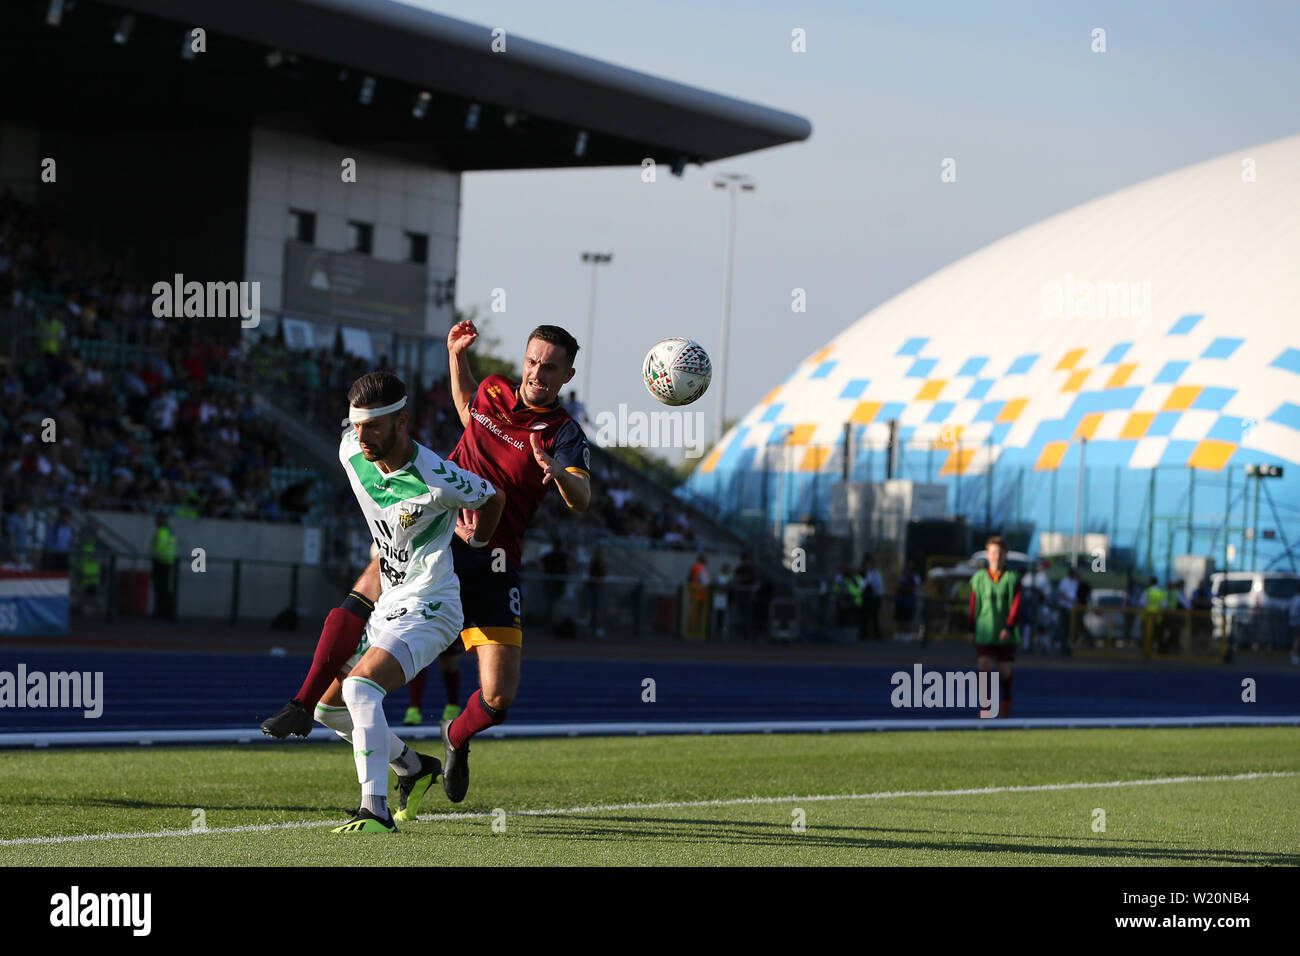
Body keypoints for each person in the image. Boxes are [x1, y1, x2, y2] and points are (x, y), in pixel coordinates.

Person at [262, 324, 593, 810]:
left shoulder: (563, 433)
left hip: (495, 560)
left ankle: (455, 735)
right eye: (533, 361)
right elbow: (468, 413)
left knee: (499, 697)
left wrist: (559, 472)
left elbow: (581, 500)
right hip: (438, 527)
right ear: (524, 360)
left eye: (550, 367)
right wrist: (456, 356)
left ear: (566, 374)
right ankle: (307, 703)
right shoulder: (493, 389)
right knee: (370, 585)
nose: (537, 372)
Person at [291, 371, 504, 833]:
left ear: (402, 421)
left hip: (432, 601)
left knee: (359, 689)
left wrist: (476, 538)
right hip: (390, 599)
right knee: (329, 711)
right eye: (356, 425)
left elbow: (492, 497)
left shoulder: (435, 476)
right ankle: (411, 765)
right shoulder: (351, 449)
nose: (361, 436)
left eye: (373, 426)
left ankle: (376, 809)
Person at [968, 535, 1021, 718]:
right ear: (987, 555)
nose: (996, 556)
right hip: (985, 629)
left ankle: (1006, 700)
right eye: (992, 553)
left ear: (1005, 555)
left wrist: (1008, 627)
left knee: (1004, 671)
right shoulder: (979, 578)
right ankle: (986, 706)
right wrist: (971, 628)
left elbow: (1016, 605)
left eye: (999, 553)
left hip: (1004, 631)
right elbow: (974, 604)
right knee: (983, 665)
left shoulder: (1012, 578)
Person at [149, 512, 176, 618]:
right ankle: (165, 612)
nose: (155, 521)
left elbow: (160, 546)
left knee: (161, 588)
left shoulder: (162, 531)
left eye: (157, 519)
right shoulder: (170, 531)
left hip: (161, 561)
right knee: (163, 588)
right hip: (166, 561)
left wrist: (153, 556)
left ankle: (162, 612)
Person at [894, 562, 919, 641]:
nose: (907, 570)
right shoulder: (902, 577)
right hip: (901, 600)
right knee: (900, 618)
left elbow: (915, 588)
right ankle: (900, 633)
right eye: (906, 568)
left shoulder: (915, 577)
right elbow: (898, 586)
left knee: (907, 619)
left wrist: (908, 589)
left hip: (909, 601)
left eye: (908, 569)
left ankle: (907, 634)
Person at [43, 508, 75, 572]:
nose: (64, 518)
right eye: (62, 515)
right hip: (56, 555)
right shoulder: (55, 527)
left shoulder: (70, 529)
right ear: (60, 516)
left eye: (66, 516)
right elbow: (49, 541)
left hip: (65, 555)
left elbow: (70, 542)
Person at [859, 556, 883, 640]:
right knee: (867, 616)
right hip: (869, 598)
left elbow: (879, 586)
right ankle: (864, 634)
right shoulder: (868, 573)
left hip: (877, 597)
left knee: (874, 616)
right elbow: (865, 585)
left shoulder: (877, 573)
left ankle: (875, 634)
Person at [1288, 588, 1300, 666]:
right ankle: (1294, 656)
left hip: (1292, 621)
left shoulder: (1293, 598)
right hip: (1297, 622)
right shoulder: (1298, 599)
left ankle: (1293, 653)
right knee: (1297, 639)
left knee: (1296, 638)